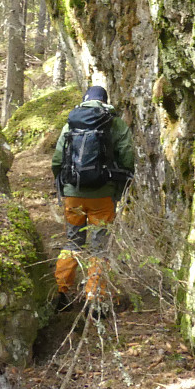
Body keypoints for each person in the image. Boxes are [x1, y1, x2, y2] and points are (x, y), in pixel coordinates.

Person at [51, 85, 134, 313]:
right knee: (99, 248)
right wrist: (120, 186)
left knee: (72, 242)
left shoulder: (72, 122)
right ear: (105, 101)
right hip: (102, 196)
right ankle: (94, 298)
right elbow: (127, 156)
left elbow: (58, 158)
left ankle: (61, 291)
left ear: (85, 100)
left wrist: (64, 185)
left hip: (73, 195)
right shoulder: (115, 123)